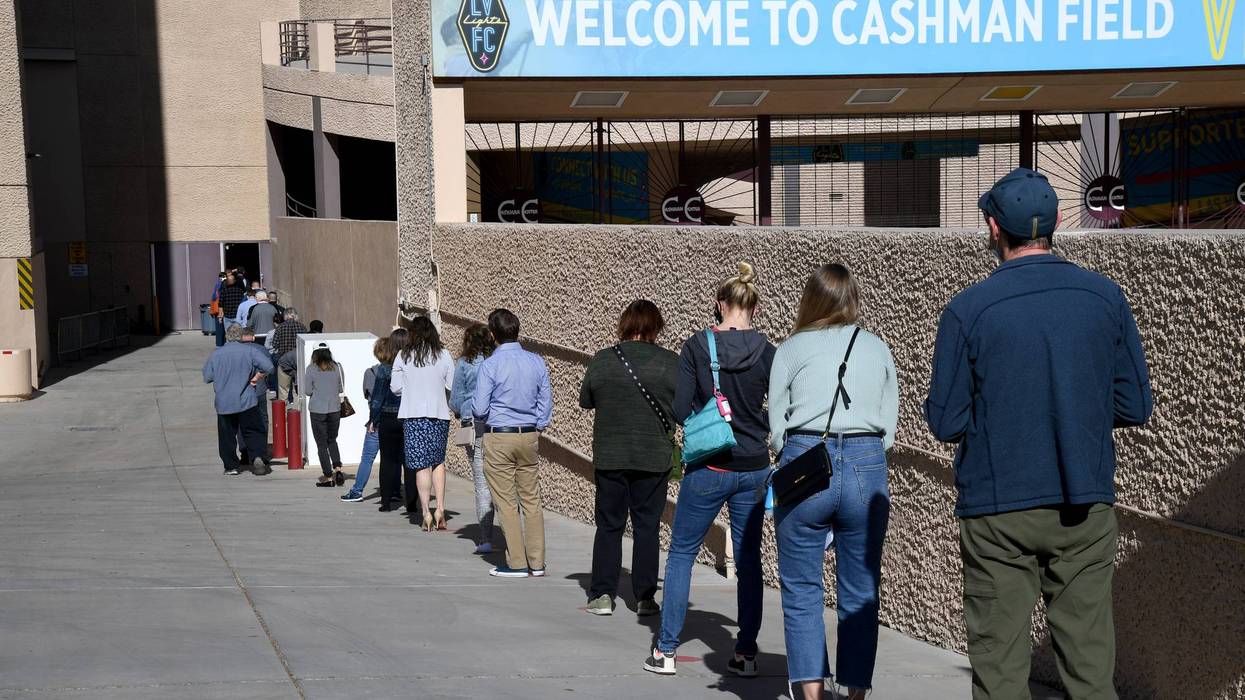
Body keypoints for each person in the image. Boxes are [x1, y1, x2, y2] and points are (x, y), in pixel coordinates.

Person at [925, 169, 1153, 700]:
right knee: (1090, 674)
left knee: (1000, 675)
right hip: (1084, 504)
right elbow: (1135, 405)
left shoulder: (968, 309)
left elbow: (946, 422)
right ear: (1056, 224)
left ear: (993, 228)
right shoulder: (1105, 298)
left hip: (997, 509)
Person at [768, 264, 899, 700]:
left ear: (811, 300)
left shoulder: (791, 348)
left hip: (807, 460)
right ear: (852, 300)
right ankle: (855, 692)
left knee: (802, 589)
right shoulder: (876, 347)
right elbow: (889, 427)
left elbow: (777, 427)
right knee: (860, 588)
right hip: (866, 460)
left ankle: (811, 694)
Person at [644, 262, 775, 678]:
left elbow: (681, 408)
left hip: (709, 466)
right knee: (749, 561)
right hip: (754, 468)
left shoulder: (697, 347)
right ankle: (747, 654)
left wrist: (709, 414)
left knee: (682, 553)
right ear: (754, 308)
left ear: (719, 304)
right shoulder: (769, 351)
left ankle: (666, 650)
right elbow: (780, 411)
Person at [579, 300, 679, 616]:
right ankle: (645, 597)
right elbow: (682, 408)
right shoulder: (670, 363)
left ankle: (602, 595)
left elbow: (586, 400)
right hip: (654, 458)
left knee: (609, 526)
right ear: (655, 327)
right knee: (647, 527)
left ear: (624, 325)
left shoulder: (603, 360)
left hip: (611, 456)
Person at [472, 308, 553, 578]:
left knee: (506, 501)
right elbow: (545, 402)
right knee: (532, 499)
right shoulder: (536, 361)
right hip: (528, 434)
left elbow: (479, 408)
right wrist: (538, 427)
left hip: (499, 434)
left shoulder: (490, 365)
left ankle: (517, 562)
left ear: (493, 334)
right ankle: (537, 562)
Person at [390, 316, 455, 531]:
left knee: (420, 465)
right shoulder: (443, 354)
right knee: (438, 462)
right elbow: (451, 384)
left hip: (413, 416)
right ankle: (441, 509)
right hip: (438, 415)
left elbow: (395, 388)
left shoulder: (403, 355)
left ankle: (426, 512)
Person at [448, 323, 497, 554]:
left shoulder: (464, 363)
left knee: (481, 483)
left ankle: (486, 539)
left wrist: (461, 411)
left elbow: (456, 399)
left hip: (473, 425)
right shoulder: (496, 361)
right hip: (498, 425)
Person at [203, 324, 274, 476]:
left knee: (227, 436)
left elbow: (207, 377)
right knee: (254, 431)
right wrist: (256, 377)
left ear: (226, 336)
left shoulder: (216, 354)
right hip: (246, 400)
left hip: (224, 402)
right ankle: (257, 456)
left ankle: (231, 466)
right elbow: (269, 367)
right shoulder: (249, 351)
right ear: (241, 336)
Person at [341, 337, 398, 503]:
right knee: (394, 458)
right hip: (397, 419)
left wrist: (373, 420)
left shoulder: (371, 372)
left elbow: (370, 397)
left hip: (378, 420)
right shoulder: (399, 371)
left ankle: (357, 490)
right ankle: (395, 490)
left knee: (367, 457)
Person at [305, 343, 346, 487]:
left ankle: (328, 477)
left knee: (321, 444)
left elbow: (308, 391)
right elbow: (340, 388)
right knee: (332, 440)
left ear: (315, 354)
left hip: (317, 409)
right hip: (334, 409)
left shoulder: (311, 369)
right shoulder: (337, 367)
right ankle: (338, 469)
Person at [268, 307, 307, 400]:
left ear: (285, 316)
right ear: (295, 316)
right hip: (298, 359)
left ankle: (284, 406)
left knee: (283, 388)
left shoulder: (280, 327)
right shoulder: (302, 326)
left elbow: (274, 344)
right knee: (298, 387)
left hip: (284, 360)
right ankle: (297, 405)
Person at [216, 271, 246, 347]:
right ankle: (238, 347)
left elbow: (220, 304)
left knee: (228, 334)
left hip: (227, 316)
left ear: (227, 282)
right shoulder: (240, 291)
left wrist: (220, 315)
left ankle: (229, 348)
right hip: (237, 316)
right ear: (235, 281)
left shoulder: (224, 291)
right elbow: (243, 303)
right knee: (238, 334)